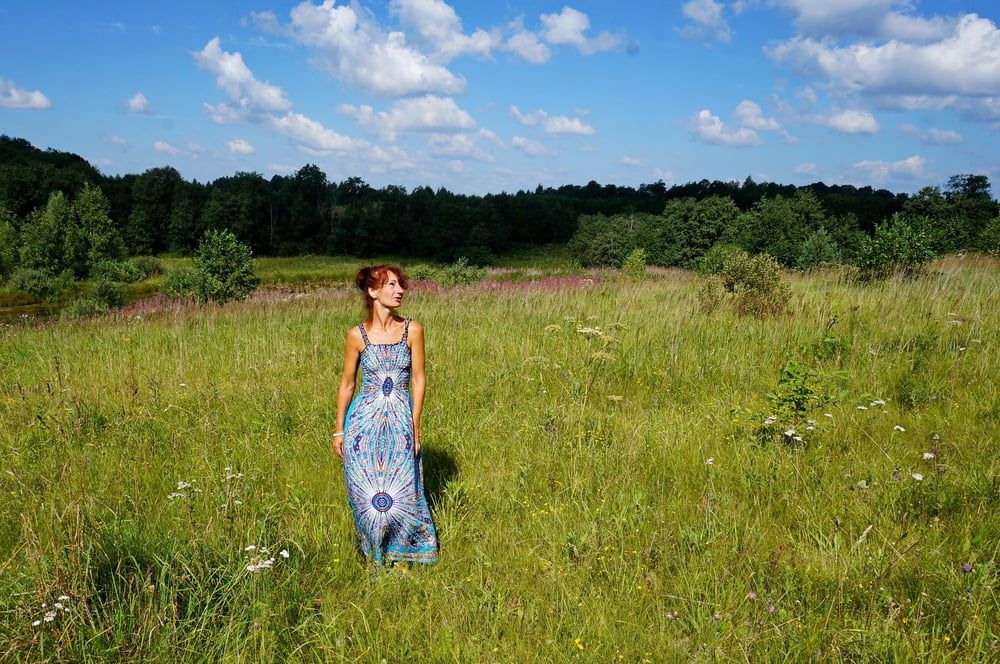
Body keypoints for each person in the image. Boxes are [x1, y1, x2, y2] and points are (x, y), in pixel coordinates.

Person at [332, 264, 439, 565]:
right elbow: (348, 384)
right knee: (364, 490)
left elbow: (418, 379)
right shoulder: (356, 335)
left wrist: (415, 425)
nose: (400, 290)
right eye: (391, 285)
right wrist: (339, 429)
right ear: (372, 291)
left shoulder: (412, 330)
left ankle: (407, 551)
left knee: (404, 487)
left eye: (400, 285)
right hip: (362, 423)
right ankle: (375, 552)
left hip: (400, 420)